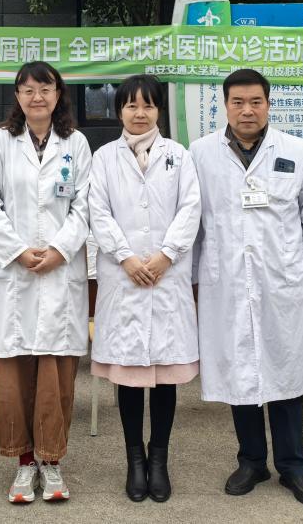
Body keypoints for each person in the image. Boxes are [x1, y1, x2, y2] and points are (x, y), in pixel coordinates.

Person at [190, 68, 303, 507]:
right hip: (226, 280)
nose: (247, 110)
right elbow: (192, 222)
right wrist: (191, 280)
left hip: (282, 280)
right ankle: (251, 461)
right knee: (240, 370)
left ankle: (294, 466)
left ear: (269, 104)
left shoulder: (295, 150)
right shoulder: (201, 153)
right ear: (225, 105)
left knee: (286, 369)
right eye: (238, 102)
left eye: (255, 102)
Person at [0, 61, 92, 504]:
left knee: (56, 376)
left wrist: (60, 249)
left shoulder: (75, 142)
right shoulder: (0, 142)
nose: (37, 97)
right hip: (14, 271)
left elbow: (85, 203)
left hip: (60, 272)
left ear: (58, 94)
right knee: (13, 374)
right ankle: (24, 464)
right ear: (17, 96)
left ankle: (52, 461)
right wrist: (18, 251)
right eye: (27, 90)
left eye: (45, 88)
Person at [89, 75, 201, 503]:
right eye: (131, 106)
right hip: (125, 276)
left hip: (166, 276)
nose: (140, 113)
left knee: (165, 377)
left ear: (159, 111)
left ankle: (159, 458)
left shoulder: (179, 156)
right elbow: (97, 211)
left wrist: (166, 255)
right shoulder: (104, 157)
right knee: (130, 377)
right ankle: (134, 460)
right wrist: (126, 257)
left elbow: (191, 208)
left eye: (148, 106)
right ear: (119, 110)